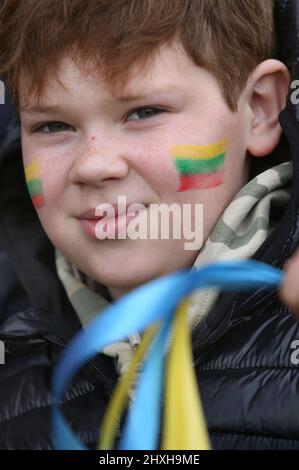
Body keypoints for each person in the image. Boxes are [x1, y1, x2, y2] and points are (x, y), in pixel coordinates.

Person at [0, 0, 299, 450]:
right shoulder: (13, 376)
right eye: (52, 125)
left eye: (144, 112)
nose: (94, 165)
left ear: (258, 108)